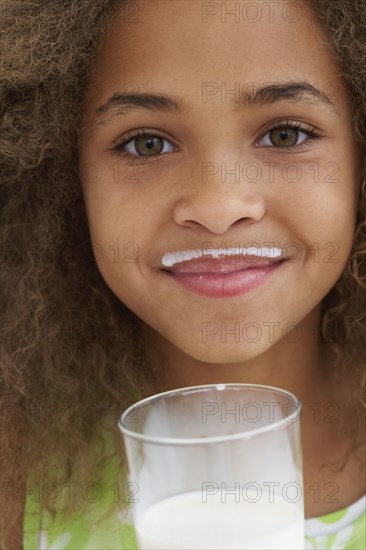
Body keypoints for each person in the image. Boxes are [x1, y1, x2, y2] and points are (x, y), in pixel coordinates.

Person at [1, 0, 365, 548]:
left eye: (285, 135)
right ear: (62, 175)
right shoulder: (16, 463)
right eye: (147, 143)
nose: (217, 205)